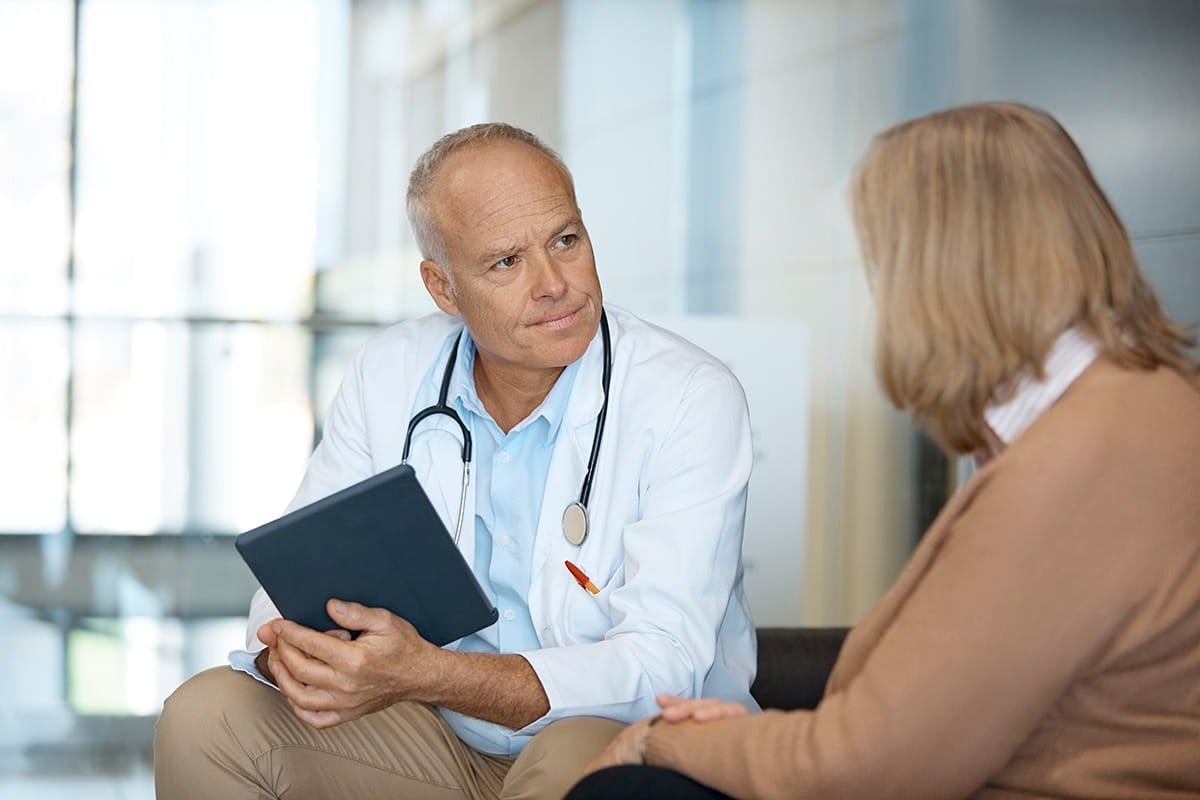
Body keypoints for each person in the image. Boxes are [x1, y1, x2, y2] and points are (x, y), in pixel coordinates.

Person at [570, 102, 1200, 799]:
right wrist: (739, 740)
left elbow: (870, 767)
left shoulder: (1082, 464)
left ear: (941, 271)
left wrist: (662, 740)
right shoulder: (1131, 409)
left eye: (881, 261)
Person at [153, 123, 758, 800]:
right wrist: (298, 654)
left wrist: (429, 673)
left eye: (565, 240)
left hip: (612, 734)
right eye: (506, 262)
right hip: (433, 737)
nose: (554, 284)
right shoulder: (391, 370)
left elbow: (664, 664)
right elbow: (299, 571)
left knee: (576, 762)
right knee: (207, 718)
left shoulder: (689, 397)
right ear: (442, 288)